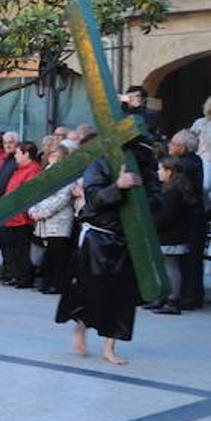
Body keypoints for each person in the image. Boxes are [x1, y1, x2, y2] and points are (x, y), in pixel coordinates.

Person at [55, 152, 150, 365]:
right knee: (91, 290)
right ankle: (81, 325)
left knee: (123, 296)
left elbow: (155, 198)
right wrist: (118, 186)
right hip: (97, 238)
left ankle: (109, 347)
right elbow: (94, 198)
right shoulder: (99, 163)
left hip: (128, 239)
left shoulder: (144, 160)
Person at [149, 156, 196, 315]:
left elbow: (167, 216)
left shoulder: (173, 192)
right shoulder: (171, 189)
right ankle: (163, 297)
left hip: (171, 236)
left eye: (161, 169)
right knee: (166, 267)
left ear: (169, 172)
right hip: (170, 234)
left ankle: (172, 299)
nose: (158, 172)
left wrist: (152, 224)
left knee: (171, 268)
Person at [28, 146, 77, 295]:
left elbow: (63, 197)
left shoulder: (69, 173)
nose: (54, 157)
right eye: (52, 154)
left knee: (58, 253)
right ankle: (46, 282)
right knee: (46, 253)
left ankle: (58, 284)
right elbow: (35, 193)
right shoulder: (45, 172)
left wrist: (43, 212)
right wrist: (34, 210)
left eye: (57, 154)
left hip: (59, 219)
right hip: (42, 220)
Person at [167, 130, 206, 311]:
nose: (169, 146)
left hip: (188, 219)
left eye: (173, 143)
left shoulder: (183, 165)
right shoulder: (194, 161)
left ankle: (188, 297)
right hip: (194, 217)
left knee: (188, 259)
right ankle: (191, 295)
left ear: (182, 148)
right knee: (191, 259)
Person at [0, 142, 43, 288]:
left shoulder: (33, 170)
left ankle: (24, 278)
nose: (16, 156)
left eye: (18, 153)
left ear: (26, 154)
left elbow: (27, 194)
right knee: (12, 249)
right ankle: (15, 275)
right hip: (11, 216)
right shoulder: (19, 169)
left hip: (23, 218)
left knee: (23, 250)